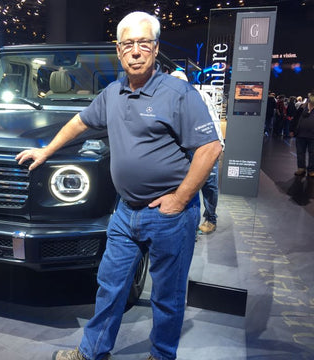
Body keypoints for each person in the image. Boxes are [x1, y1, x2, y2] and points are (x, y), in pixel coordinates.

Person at [16, 12, 221, 360]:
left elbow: (210, 147)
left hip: (169, 215)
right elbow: (79, 123)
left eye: (144, 44)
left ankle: (161, 355)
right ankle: (92, 352)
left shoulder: (178, 93)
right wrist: (46, 150)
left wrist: (181, 197)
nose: (136, 52)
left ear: (155, 49)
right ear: (119, 49)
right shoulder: (112, 94)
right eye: (129, 44)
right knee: (110, 287)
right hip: (126, 212)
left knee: (167, 297)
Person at [170, 70, 225, 234]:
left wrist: (218, 146)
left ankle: (210, 218)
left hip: (204, 148)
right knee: (187, 186)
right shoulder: (170, 100)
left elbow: (214, 120)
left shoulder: (199, 95)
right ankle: (190, 224)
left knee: (209, 185)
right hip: (184, 150)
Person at [290, 91, 314, 177]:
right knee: (300, 152)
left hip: (312, 136)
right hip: (300, 134)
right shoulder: (302, 107)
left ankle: (311, 170)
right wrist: (291, 130)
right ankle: (301, 168)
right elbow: (295, 118)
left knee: (312, 154)